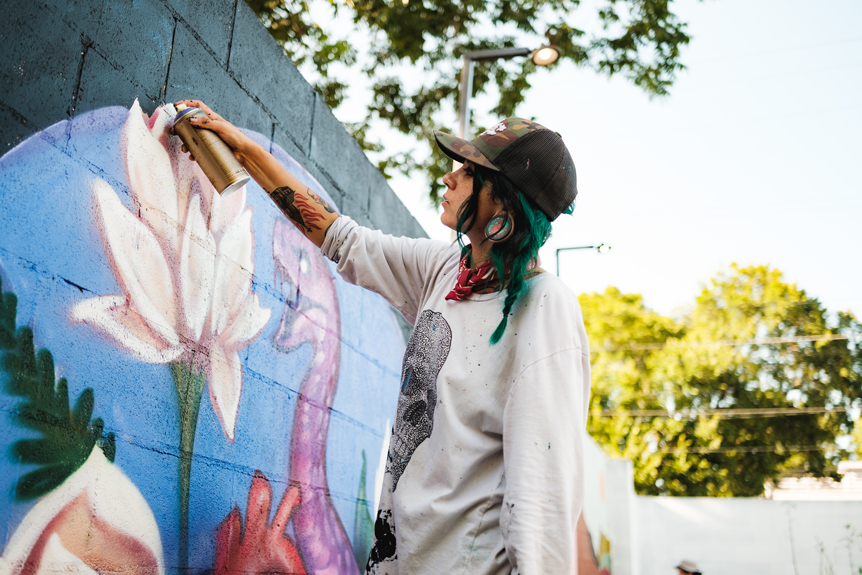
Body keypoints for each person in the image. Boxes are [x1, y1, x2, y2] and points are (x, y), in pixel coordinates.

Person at [175, 100, 591, 575]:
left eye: (472, 172)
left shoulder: (544, 307)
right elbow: (340, 238)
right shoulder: (444, 271)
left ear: (506, 204)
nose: (450, 177)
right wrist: (245, 148)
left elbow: (542, 497)